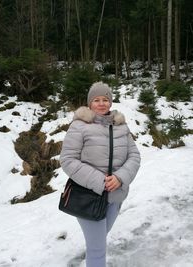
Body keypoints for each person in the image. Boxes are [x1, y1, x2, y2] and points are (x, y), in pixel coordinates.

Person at [60, 81, 141, 267]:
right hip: (89, 196)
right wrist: (100, 181)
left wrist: (120, 178)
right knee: (98, 249)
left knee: (99, 238)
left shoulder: (121, 126)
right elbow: (68, 159)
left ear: (110, 103)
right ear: (90, 103)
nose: (101, 103)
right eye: (96, 100)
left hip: (116, 196)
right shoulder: (79, 126)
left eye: (105, 99)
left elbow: (134, 155)